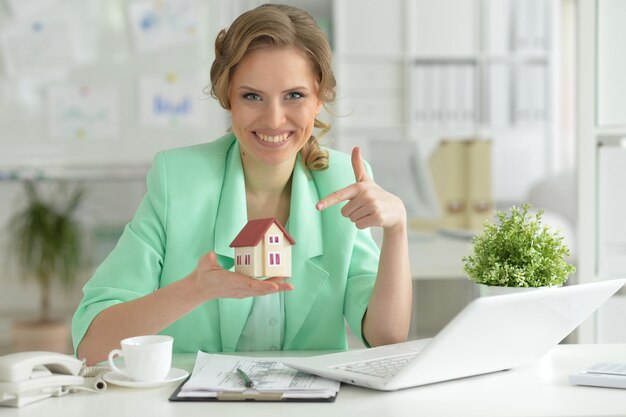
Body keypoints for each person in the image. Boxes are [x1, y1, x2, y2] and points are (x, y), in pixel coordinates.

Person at [73, 3, 412, 365]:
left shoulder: (342, 181)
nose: (274, 119)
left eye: (294, 96)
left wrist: (397, 229)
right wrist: (195, 290)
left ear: (319, 98)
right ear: (228, 98)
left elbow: (386, 336)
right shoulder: (179, 180)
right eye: (252, 96)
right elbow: (93, 346)